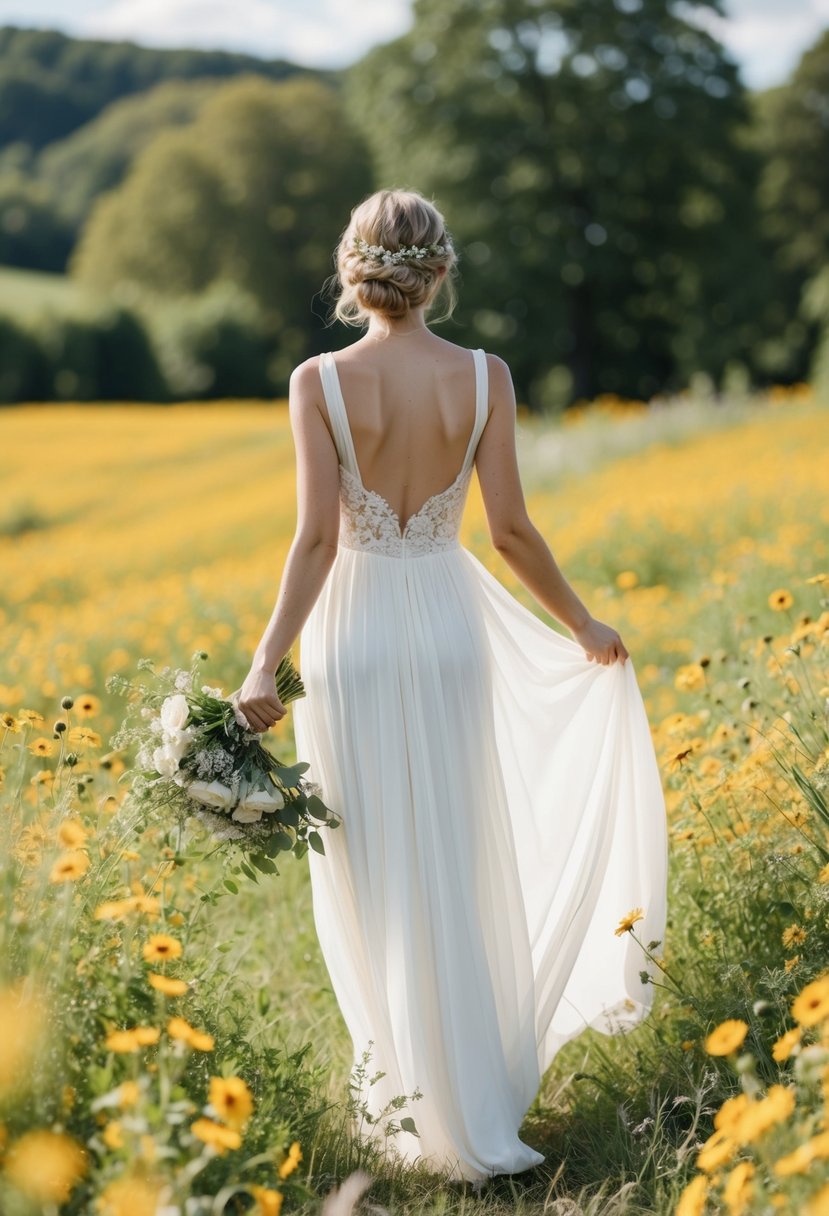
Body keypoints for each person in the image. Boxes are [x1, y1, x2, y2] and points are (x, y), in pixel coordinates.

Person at [236, 188, 668, 1186]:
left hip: (352, 636)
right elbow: (510, 528)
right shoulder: (484, 376)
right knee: (456, 857)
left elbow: (312, 539)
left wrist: (267, 663)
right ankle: (471, 1103)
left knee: (375, 875)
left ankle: (406, 1106)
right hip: (446, 626)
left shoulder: (317, 380)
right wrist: (582, 623)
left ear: (355, 270)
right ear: (439, 271)